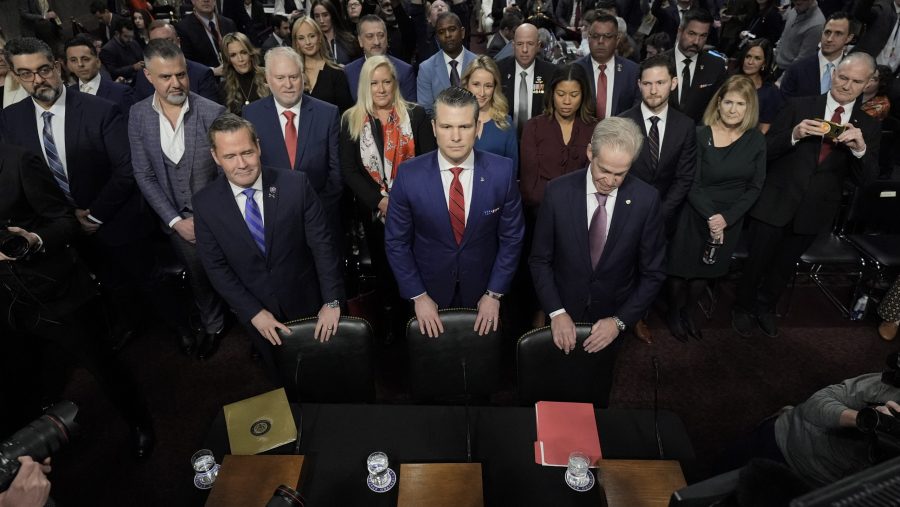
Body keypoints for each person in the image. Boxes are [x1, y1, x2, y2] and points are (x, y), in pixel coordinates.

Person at [1, 35, 187, 351]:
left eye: (44, 69)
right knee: (109, 285)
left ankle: (183, 328)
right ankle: (130, 326)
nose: (37, 79)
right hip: (63, 229)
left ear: (58, 67)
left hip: (115, 218)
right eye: (26, 74)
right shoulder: (10, 119)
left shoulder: (101, 109)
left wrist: (95, 214)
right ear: (16, 77)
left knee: (149, 280)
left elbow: (127, 169)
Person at [0, 143, 155, 459]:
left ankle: (140, 423)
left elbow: (65, 222)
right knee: (22, 380)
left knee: (104, 367)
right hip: (8, 306)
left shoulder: (19, 159)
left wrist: (34, 241)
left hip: (57, 295)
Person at [733, 53, 881, 339]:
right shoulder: (799, 105)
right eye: (843, 77)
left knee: (784, 265)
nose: (847, 85)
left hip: (815, 209)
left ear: (868, 84)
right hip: (776, 200)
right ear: (834, 73)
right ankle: (742, 306)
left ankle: (765, 308)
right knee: (756, 261)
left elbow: (866, 180)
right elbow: (765, 150)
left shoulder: (868, 126)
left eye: (856, 81)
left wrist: (860, 149)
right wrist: (794, 134)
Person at [529, 117, 666, 407]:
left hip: (610, 317)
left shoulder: (646, 199)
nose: (610, 181)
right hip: (563, 309)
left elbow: (653, 273)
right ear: (590, 153)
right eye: (604, 170)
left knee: (596, 390)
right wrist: (555, 312)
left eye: (620, 174)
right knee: (555, 387)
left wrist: (620, 321)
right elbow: (540, 260)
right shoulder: (558, 191)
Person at [194, 114, 345, 377]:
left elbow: (323, 246)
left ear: (259, 147)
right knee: (280, 374)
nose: (242, 164)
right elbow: (215, 267)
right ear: (216, 157)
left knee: (328, 371)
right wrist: (252, 312)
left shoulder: (295, 184)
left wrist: (332, 302)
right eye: (230, 156)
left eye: (247, 152)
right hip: (256, 311)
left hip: (309, 302)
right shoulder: (205, 204)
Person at [384, 87, 525, 337]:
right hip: (428, 295)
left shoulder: (502, 172)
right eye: (447, 127)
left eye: (464, 127)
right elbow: (396, 242)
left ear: (478, 129)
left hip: (484, 295)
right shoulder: (408, 175)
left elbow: (512, 239)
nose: (456, 137)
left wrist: (494, 294)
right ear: (434, 128)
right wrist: (418, 296)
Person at [129, 39, 229, 359]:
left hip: (216, 218)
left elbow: (229, 175)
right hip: (174, 221)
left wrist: (207, 219)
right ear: (148, 76)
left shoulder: (213, 112)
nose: (176, 83)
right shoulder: (138, 116)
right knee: (197, 275)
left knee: (231, 272)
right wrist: (175, 221)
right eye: (166, 77)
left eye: (181, 75)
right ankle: (213, 325)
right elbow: (144, 175)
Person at [340, 56, 436, 338]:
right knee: (385, 271)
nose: (381, 88)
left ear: (395, 83)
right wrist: (380, 201)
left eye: (386, 81)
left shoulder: (416, 115)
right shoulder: (351, 119)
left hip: (414, 209)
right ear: (364, 86)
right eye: (374, 83)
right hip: (375, 213)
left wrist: (404, 201)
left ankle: (416, 320)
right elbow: (349, 170)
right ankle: (391, 325)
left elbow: (428, 162)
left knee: (415, 265)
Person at [666, 75, 765, 342]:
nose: (733, 109)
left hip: (730, 219)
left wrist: (726, 219)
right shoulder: (699, 134)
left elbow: (755, 187)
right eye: (728, 102)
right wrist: (712, 216)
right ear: (718, 103)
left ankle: (689, 313)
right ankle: (674, 313)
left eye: (741, 104)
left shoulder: (756, 140)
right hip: (695, 212)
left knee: (705, 272)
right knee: (680, 271)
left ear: (749, 108)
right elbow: (691, 182)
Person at [720, 365, 900, 486]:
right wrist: (866, 419)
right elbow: (814, 406)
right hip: (790, 444)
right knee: (719, 477)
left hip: (817, 486)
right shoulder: (889, 386)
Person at [243, 47, 343, 237]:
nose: (288, 84)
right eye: (280, 78)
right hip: (274, 219)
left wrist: (317, 210)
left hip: (321, 217)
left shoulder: (327, 113)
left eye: (294, 77)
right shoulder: (251, 114)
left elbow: (335, 174)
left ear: (302, 77)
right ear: (268, 79)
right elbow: (253, 168)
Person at [520, 64, 597, 209]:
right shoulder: (533, 127)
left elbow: (591, 178)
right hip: (539, 210)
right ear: (551, 93)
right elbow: (529, 184)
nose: (567, 101)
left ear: (583, 95)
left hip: (579, 209)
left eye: (574, 95)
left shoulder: (594, 129)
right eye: (561, 94)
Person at [132, 21, 220, 103]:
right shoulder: (142, 76)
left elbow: (211, 115)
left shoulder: (202, 74)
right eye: (157, 43)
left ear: (178, 42)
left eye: (168, 41)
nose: (164, 47)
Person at [665, 9, 728, 123]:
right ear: (680, 31)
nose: (696, 41)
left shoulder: (716, 66)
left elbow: (718, 107)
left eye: (703, 36)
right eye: (692, 34)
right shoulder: (658, 63)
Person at [574, 11, 639, 121]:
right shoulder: (574, 70)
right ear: (588, 38)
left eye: (607, 36)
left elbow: (637, 112)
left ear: (617, 40)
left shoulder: (632, 72)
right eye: (595, 36)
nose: (600, 41)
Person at [498, 23, 557, 135]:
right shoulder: (499, 70)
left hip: (540, 138)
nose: (524, 50)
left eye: (530, 44)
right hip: (505, 138)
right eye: (520, 44)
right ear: (513, 45)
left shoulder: (551, 73)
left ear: (538, 45)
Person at [344, 15, 417, 102]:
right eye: (370, 36)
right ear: (360, 41)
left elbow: (411, 110)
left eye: (381, 35)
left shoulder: (405, 71)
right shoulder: (349, 71)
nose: (376, 42)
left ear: (387, 38)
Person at [462, 56, 518, 169]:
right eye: (476, 84)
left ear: (495, 88)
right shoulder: (455, 121)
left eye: (488, 86)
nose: (482, 93)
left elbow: (513, 169)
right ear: (466, 84)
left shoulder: (505, 123)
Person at [416, 12, 476, 116]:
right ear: (437, 38)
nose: (447, 35)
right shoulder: (426, 68)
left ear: (462, 32)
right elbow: (426, 111)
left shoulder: (478, 63)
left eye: (452, 29)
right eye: (441, 32)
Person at [780, 12, 852, 99]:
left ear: (849, 38)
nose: (829, 39)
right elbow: (784, 105)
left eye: (838, 34)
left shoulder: (853, 72)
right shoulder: (797, 69)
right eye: (827, 32)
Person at [292, 16, 354, 114]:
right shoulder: (292, 75)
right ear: (297, 43)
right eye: (301, 38)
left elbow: (346, 114)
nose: (308, 42)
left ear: (319, 38)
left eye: (312, 36)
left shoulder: (336, 73)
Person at [65, 35, 136, 111]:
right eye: (73, 60)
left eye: (85, 59)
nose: (80, 64)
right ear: (68, 65)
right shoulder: (66, 96)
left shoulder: (121, 93)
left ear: (98, 62)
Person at [734, 38, 782, 133]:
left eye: (757, 58)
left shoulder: (770, 92)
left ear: (764, 63)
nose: (750, 62)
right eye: (748, 56)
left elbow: (764, 128)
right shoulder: (730, 81)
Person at [175, 0, 237, 72]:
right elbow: (187, 63)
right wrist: (212, 71)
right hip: (207, 79)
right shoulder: (183, 28)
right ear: (193, 1)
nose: (206, 0)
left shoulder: (229, 23)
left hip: (233, 74)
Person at [219, 32, 270, 115]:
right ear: (228, 60)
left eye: (243, 52)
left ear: (250, 53)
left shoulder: (267, 76)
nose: (240, 59)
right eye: (233, 55)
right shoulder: (224, 87)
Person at [774, 0, 825, 71]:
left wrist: (782, 79)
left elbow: (802, 60)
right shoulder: (794, 11)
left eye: (798, 4)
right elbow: (783, 38)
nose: (795, 7)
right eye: (793, 3)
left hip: (789, 72)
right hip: (776, 66)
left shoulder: (817, 25)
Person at [311, 0, 360, 64]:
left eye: (325, 15)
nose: (321, 20)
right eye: (317, 16)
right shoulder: (312, 44)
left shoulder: (349, 40)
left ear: (332, 16)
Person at [100, 18, 145, 82]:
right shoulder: (107, 50)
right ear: (117, 34)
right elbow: (112, 72)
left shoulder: (133, 42)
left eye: (131, 36)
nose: (130, 40)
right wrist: (133, 67)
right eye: (126, 37)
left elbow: (142, 57)